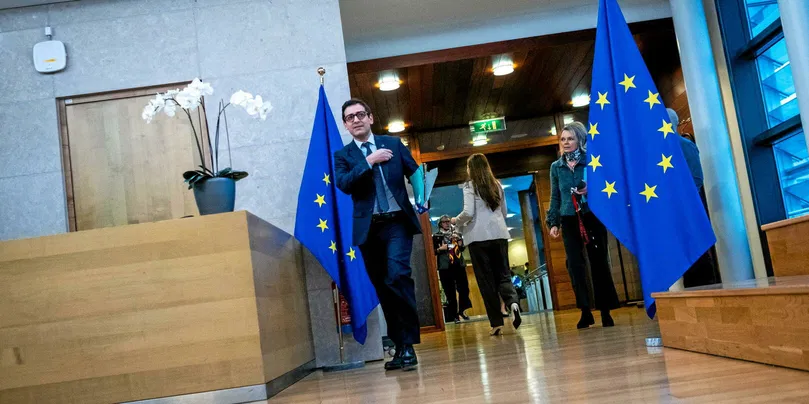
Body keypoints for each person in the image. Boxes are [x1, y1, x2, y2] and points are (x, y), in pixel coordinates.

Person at [334, 99, 424, 371]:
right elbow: (344, 184)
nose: (356, 120)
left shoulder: (394, 144)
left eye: (361, 114)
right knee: (384, 287)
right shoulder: (344, 156)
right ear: (346, 125)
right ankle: (399, 347)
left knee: (397, 276)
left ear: (371, 118)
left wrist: (422, 197)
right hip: (368, 229)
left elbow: (416, 172)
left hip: (397, 222)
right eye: (350, 117)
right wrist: (369, 160)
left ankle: (408, 344)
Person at [546, 122, 620, 329]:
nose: (566, 143)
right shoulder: (556, 167)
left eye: (570, 138)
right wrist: (553, 222)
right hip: (569, 219)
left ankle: (605, 310)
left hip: (591, 216)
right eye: (563, 139)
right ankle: (585, 311)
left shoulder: (592, 161)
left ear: (579, 139)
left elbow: (608, 186)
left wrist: (592, 189)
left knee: (598, 261)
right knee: (575, 265)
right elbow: (555, 196)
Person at [451, 153, 522, 336]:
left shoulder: (469, 185)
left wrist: (456, 221)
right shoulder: (496, 184)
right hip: (499, 234)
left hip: (478, 237)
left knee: (486, 282)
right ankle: (513, 302)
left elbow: (468, 212)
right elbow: (504, 212)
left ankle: (496, 323)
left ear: (471, 168)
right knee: (503, 275)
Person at [667, 108, 721, 288]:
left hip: (689, 209)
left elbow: (696, 178)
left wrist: (683, 200)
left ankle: (706, 289)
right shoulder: (660, 150)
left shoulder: (684, 145)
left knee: (698, 253)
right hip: (674, 211)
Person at [433, 215, 472, 324]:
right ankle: (454, 315)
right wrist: (440, 249)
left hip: (458, 264)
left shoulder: (456, 234)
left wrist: (459, 240)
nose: (447, 223)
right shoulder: (436, 236)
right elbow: (432, 251)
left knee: (464, 289)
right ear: (440, 223)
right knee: (450, 292)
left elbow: (462, 248)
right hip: (445, 266)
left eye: (448, 221)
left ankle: (462, 310)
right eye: (444, 222)